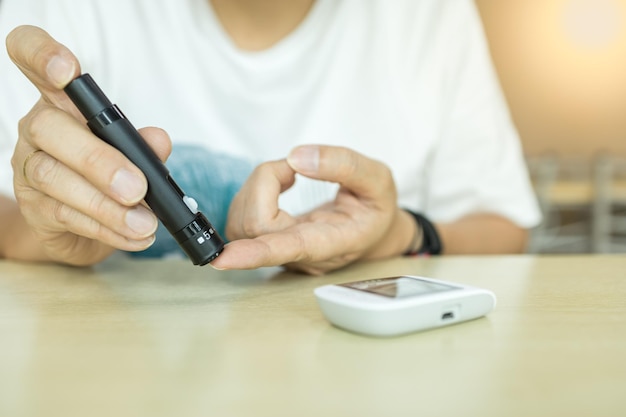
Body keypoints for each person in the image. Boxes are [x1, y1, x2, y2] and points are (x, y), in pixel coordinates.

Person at [0, 0, 541, 275]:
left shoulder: (429, 16)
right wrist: (48, 234)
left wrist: (399, 235)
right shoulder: (63, 19)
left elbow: (502, 227)